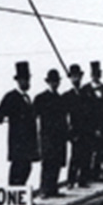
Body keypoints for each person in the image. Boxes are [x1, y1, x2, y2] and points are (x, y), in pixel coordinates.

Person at [0, 61, 38, 186]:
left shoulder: (27, 98)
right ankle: (15, 198)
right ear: (18, 81)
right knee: (18, 171)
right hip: (18, 143)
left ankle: (20, 197)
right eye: (25, 80)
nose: (27, 82)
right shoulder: (11, 97)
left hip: (28, 143)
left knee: (27, 169)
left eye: (28, 79)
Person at [33, 68, 68, 197]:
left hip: (59, 136)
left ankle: (53, 189)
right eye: (52, 82)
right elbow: (33, 116)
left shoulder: (60, 99)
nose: (55, 84)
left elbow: (65, 118)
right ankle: (44, 190)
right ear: (48, 82)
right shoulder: (40, 98)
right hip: (47, 136)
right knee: (47, 163)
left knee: (57, 163)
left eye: (56, 81)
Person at [63, 64, 93, 188]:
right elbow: (64, 117)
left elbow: (92, 112)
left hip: (86, 130)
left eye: (78, 77)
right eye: (74, 77)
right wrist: (69, 132)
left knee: (86, 155)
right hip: (75, 131)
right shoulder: (67, 96)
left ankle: (83, 180)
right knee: (75, 156)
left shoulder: (86, 93)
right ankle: (71, 181)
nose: (76, 80)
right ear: (70, 79)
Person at [87, 60, 103, 180]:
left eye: (98, 74)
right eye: (94, 74)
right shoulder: (85, 90)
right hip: (91, 127)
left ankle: (99, 174)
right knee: (91, 152)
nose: (96, 76)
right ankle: (89, 175)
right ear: (91, 75)